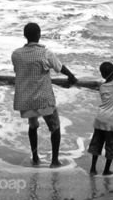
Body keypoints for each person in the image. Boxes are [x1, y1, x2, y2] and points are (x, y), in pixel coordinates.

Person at [11, 22, 77, 168]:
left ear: (25, 36)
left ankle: (35, 157)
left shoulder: (16, 54)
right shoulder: (45, 53)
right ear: (39, 35)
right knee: (55, 127)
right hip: (43, 98)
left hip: (26, 99)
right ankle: (54, 161)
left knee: (33, 126)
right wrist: (71, 76)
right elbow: (60, 67)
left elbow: (18, 70)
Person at [88, 61, 113, 175]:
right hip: (112, 121)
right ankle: (106, 170)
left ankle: (93, 168)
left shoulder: (102, 87)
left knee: (97, 144)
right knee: (111, 146)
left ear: (102, 75)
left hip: (100, 119)